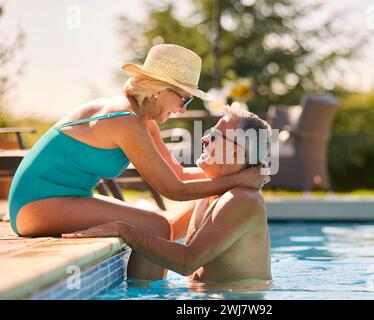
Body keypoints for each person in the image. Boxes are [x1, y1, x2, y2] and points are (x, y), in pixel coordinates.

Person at [8, 44, 267, 281]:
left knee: (153, 223)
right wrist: (238, 180)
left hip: (68, 196)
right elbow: (173, 189)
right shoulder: (124, 120)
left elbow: (177, 174)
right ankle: (145, 294)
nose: (184, 109)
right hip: (35, 201)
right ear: (160, 90)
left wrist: (239, 177)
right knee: (155, 225)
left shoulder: (144, 121)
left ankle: (146, 289)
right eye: (184, 98)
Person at [63, 105, 273, 284]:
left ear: (235, 153)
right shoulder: (214, 188)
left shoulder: (243, 199)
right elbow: (166, 229)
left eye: (215, 136)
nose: (205, 139)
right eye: (209, 132)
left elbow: (186, 262)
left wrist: (123, 229)